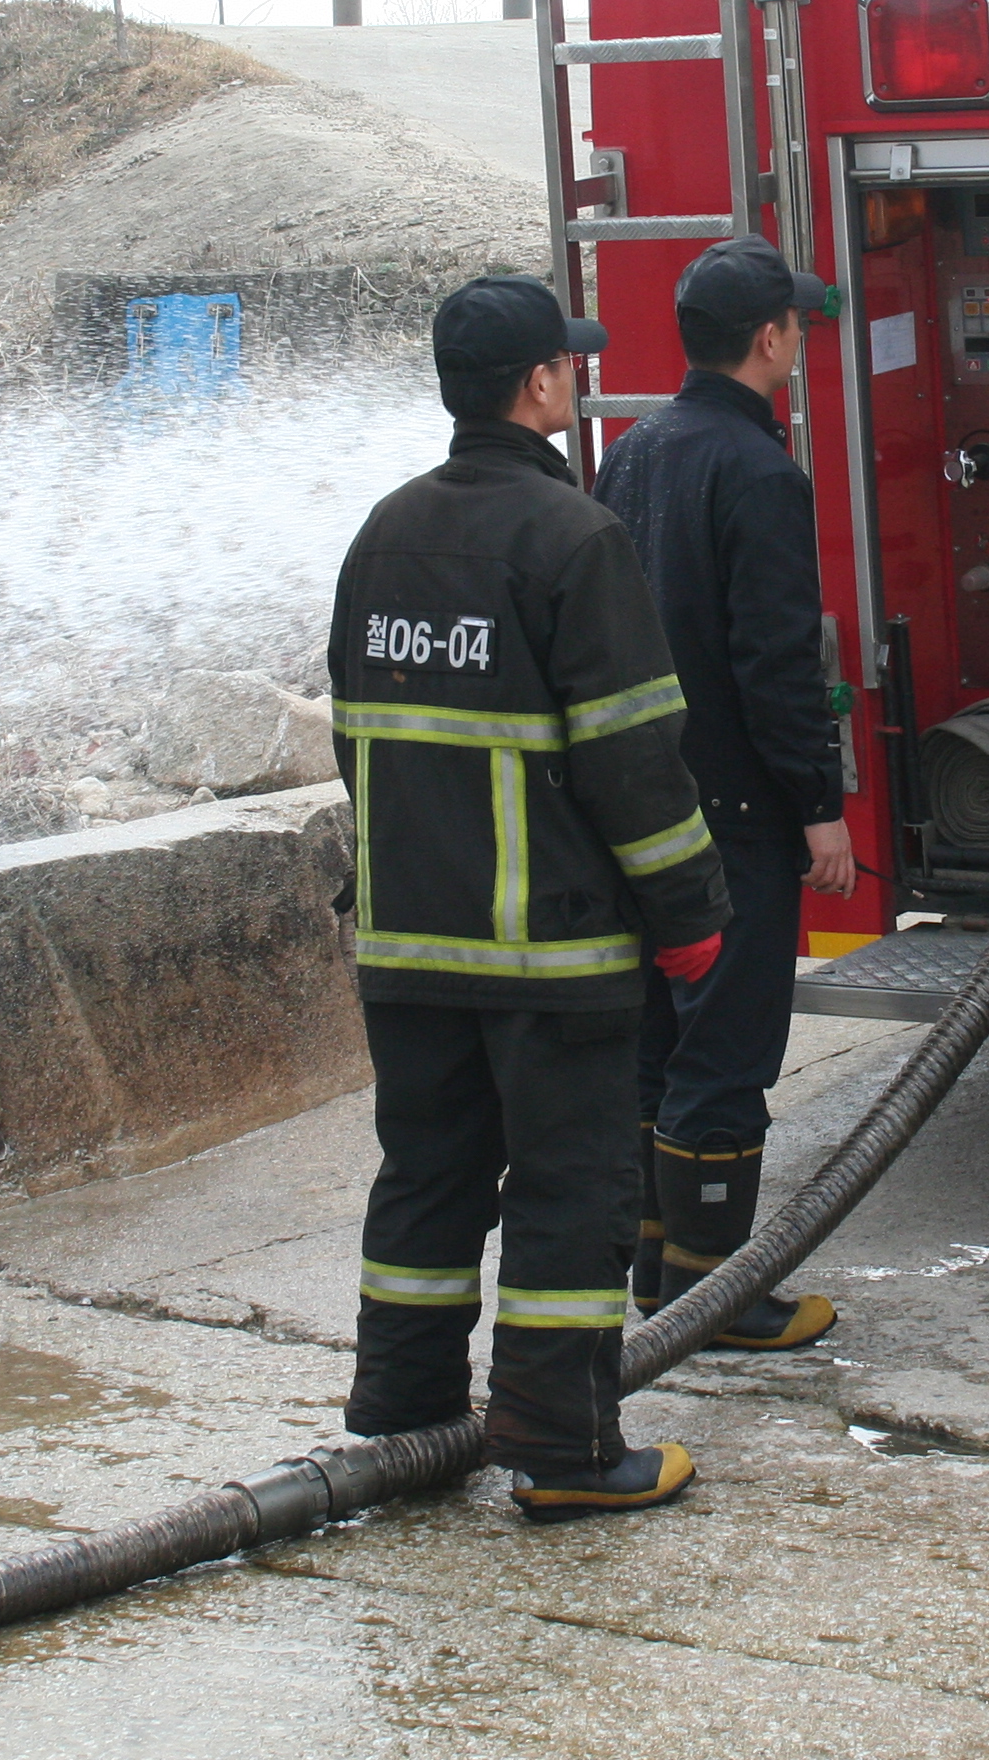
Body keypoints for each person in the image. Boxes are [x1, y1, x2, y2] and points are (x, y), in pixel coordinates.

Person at [327, 274, 733, 1521]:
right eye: (569, 362)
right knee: (572, 1195)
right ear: (541, 383)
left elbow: (358, 744)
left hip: (409, 948)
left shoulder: (383, 534)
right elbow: (633, 758)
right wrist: (690, 917)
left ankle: (404, 1420)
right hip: (551, 959)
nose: (577, 376)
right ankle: (565, 1453)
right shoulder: (575, 540)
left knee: (427, 1178)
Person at [590, 236, 853, 1350]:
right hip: (737, 816)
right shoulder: (759, 472)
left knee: (657, 1043)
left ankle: (659, 1273)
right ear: (770, 340)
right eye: (794, 324)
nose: (798, 339)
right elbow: (776, 663)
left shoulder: (633, 452)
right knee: (728, 1052)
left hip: (644, 811)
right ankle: (717, 1301)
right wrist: (819, 805)